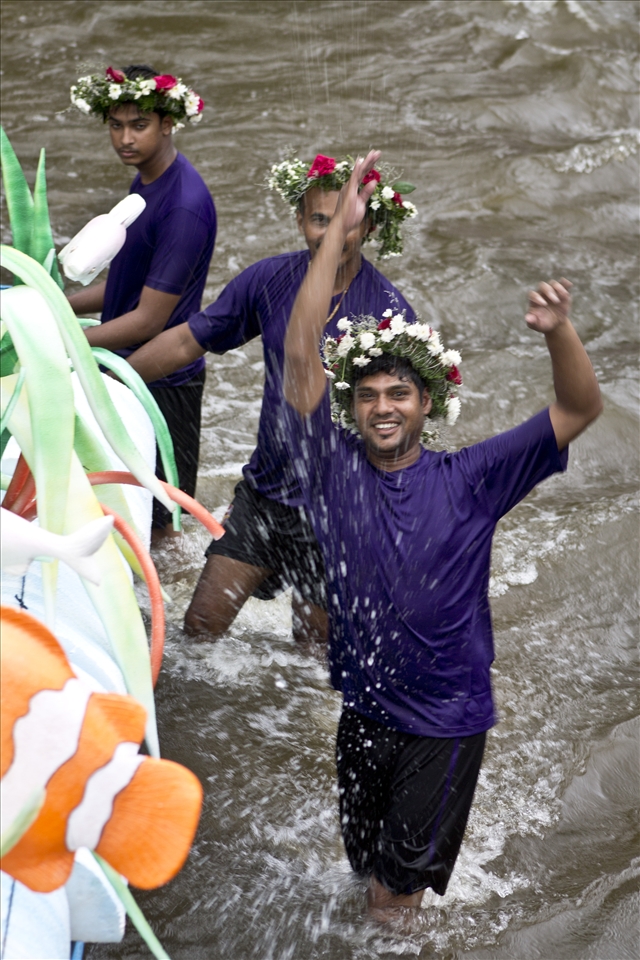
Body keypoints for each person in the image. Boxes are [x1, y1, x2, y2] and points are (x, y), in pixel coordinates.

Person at [282, 151, 602, 918]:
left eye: (400, 393)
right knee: (364, 873)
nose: (383, 407)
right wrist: (341, 227)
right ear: (351, 407)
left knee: (392, 899)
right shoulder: (334, 468)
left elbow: (578, 410)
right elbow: (301, 352)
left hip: (444, 723)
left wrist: (559, 332)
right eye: (368, 395)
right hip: (362, 710)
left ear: (428, 404)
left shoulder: (474, 478)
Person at [125, 152, 418, 642]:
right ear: (300, 219)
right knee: (198, 628)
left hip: (340, 511)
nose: (331, 234)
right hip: (265, 494)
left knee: (312, 659)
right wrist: (114, 380)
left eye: (346, 222)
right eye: (319, 219)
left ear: (367, 228)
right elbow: (185, 341)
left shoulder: (389, 315)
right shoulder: (269, 281)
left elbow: (401, 426)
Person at [67, 64, 216, 539]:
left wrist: (64, 339)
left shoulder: (183, 205)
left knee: (163, 526)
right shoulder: (146, 183)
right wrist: (54, 300)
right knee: (116, 507)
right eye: (116, 125)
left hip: (164, 384)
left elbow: (150, 319)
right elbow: (126, 287)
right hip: (125, 371)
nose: (125, 138)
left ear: (168, 123)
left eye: (139, 125)